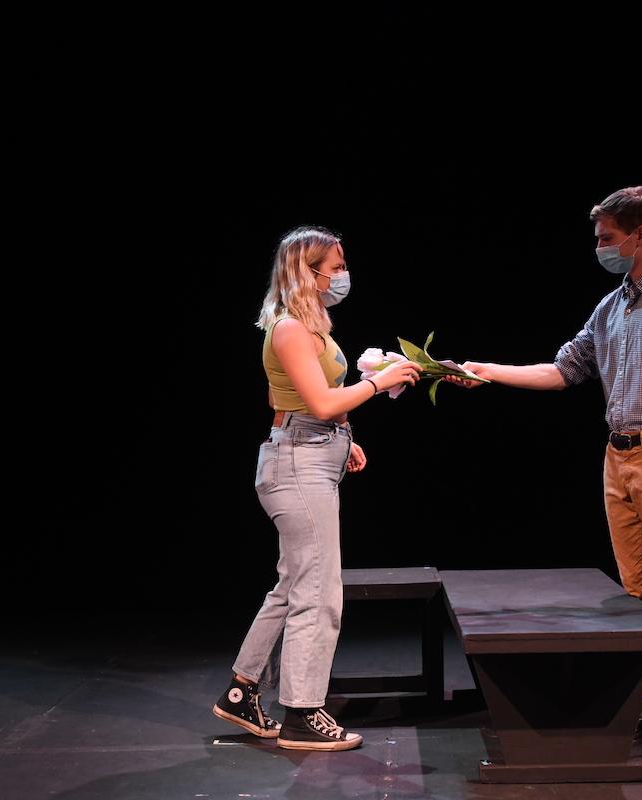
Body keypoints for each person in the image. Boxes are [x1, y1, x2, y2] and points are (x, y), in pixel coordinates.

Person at [448, 186, 642, 752]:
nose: (600, 247)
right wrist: (486, 371)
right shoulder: (612, 306)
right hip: (618, 456)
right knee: (638, 592)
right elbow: (562, 370)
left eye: (607, 237)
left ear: (640, 235)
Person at [211, 225, 421, 751]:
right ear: (309, 270)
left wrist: (342, 437)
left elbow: (314, 402)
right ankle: (304, 713)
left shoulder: (312, 325)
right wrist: (382, 382)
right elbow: (323, 403)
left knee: (291, 585)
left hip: (312, 453)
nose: (342, 274)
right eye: (336, 264)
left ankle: (241, 691)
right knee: (319, 592)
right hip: (297, 465)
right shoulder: (288, 329)